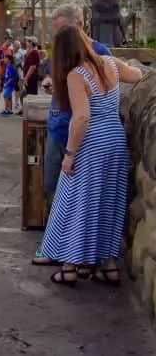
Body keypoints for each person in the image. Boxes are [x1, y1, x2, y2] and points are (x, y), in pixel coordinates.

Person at [38, 26, 144, 285]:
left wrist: (70, 154)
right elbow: (138, 75)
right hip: (115, 140)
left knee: (76, 200)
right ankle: (107, 265)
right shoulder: (110, 63)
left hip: (92, 143)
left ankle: (71, 265)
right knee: (108, 200)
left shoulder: (76, 75)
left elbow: (82, 117)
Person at [31, 3, 112, 267]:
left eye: (62, 29)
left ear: (79, 24)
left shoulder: (98, 52)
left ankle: (68, 251)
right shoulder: (60, 49)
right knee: (52, 185)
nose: (58, 36)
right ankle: (60, 244)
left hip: (83, 134)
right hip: (58, 127)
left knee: (80, 192)